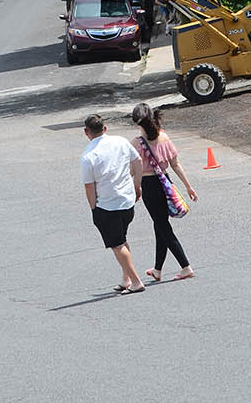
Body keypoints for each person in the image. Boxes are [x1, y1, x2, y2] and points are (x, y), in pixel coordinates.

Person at [80, 114, 145, 295]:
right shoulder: (121, 142)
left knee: (117, 245)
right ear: (105, 128)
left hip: (108, 205)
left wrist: (93, 208)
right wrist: (137, 186)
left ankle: (136, 281)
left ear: (86, 132)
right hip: (127, 200)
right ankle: (126, 278)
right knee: (122, 240)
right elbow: (138, 161)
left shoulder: (88, 156)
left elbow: (89, 186)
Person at [130, 104, 197, 283]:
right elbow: (176, 164)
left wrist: (134, 188)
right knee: (159, 225)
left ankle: (185, 266)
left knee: (163, 227)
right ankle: (157, 269)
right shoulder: (164, 137)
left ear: (137, 122)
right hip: (165, 181)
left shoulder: (136, 143)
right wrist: (188, 186)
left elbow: (132, 171)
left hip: (149, 185)